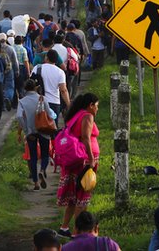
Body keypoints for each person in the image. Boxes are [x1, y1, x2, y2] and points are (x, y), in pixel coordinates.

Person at [57, 93, 101, 238]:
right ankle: (79, 232)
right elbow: (86, 138)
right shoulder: (87, 116)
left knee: (74, 197)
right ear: (91, 105)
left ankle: (64, 228)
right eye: (97, 106)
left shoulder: (75, 116)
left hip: (76, 160)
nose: (97, 109)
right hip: (84, 161)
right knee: (82, 197)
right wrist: (91, 159)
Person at [17, 79, 56, 191]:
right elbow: (50, 114)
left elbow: (19, 116)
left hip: (31, 132)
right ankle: (42, 170)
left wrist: (26, 129)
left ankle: (36, 183)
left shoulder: (22, 102)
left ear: (25, 89)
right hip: (43, 130)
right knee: (45, 154)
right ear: (36, 88)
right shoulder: (43, 99)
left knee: (33, 157)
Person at [34, 49, 71, 124]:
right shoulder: (60, 72)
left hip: (39, 101)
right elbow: (63, 90)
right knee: (53, 127)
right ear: (57, 60)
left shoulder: (37, 68)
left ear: (46, 58)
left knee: (39, 126)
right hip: (54, 102)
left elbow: (31, 84)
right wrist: (68, 104)